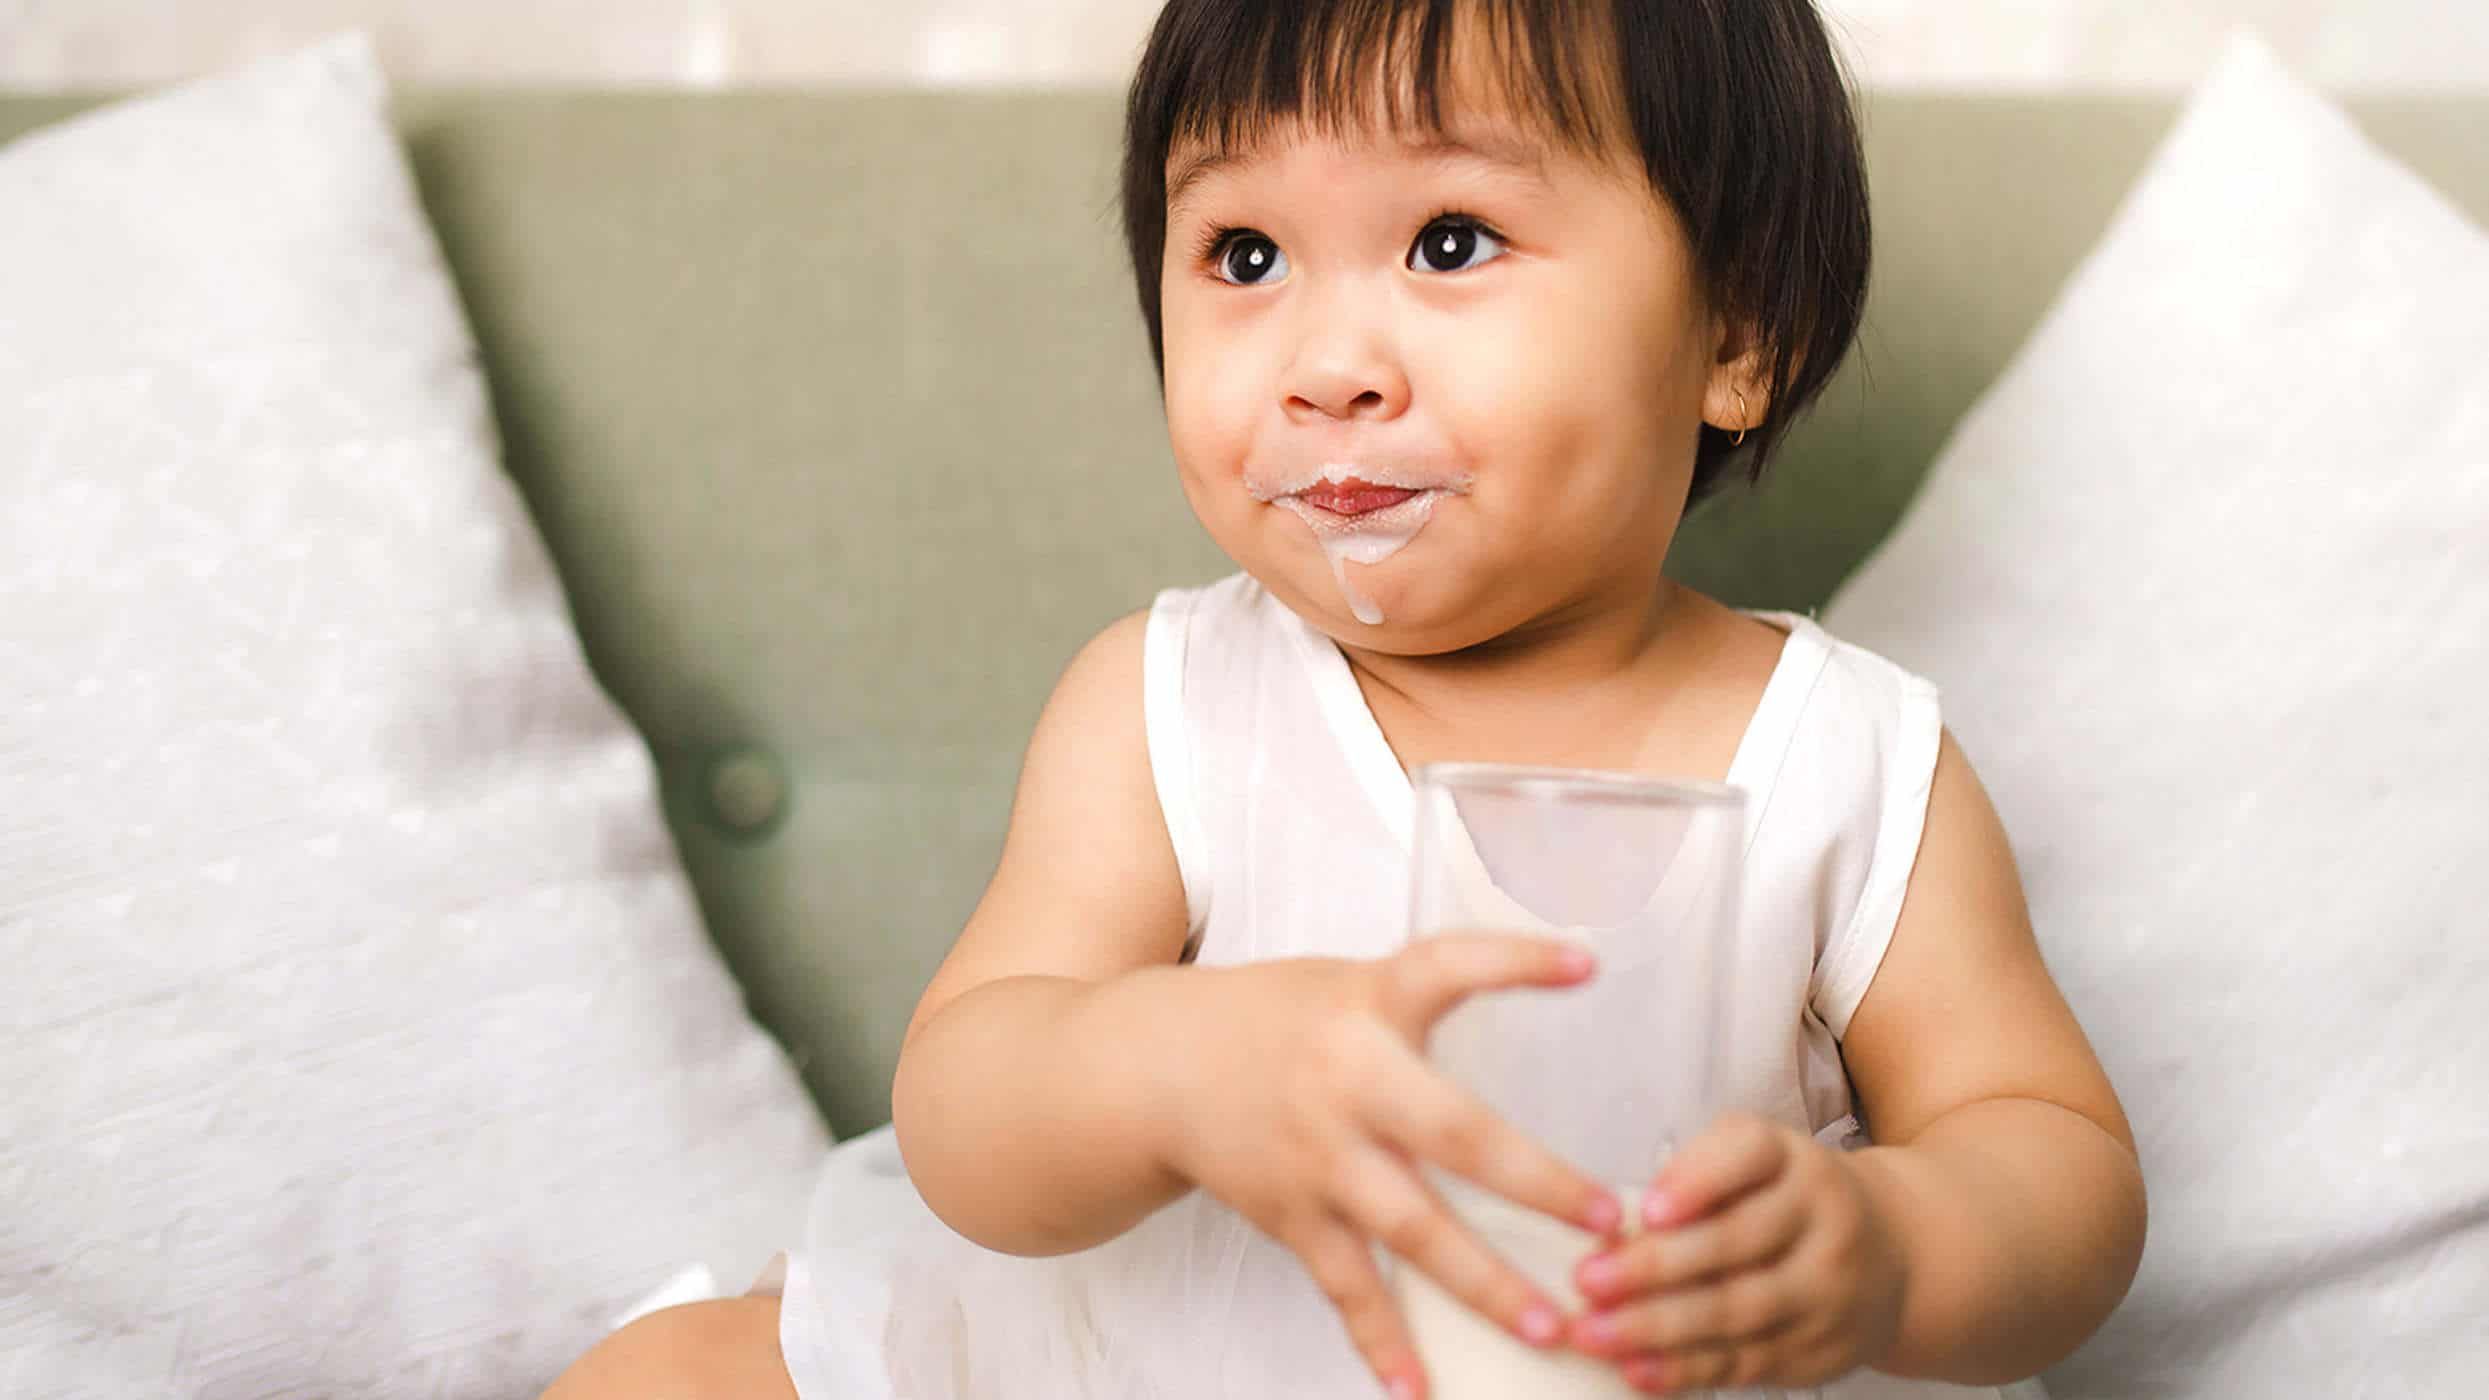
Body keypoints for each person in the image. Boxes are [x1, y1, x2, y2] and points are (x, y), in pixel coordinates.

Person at [546, 2, 2146, 1396]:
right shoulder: (1164, 706)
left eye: (1449, 242)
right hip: (1173, 1368)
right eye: (1243, 255)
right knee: (664, 1376)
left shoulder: (1844, 760)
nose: (1323, 363)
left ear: (1736, 333)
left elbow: (2053, 1162)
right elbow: (966, 1105)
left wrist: (1885, 1248)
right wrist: (1168, 1061)